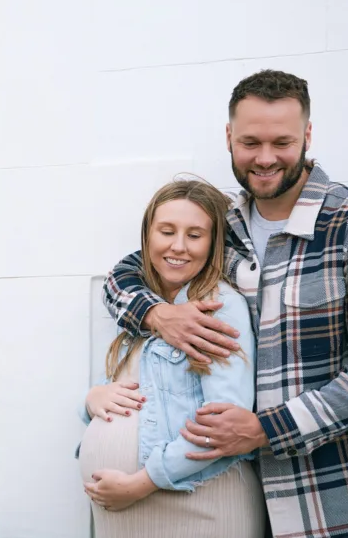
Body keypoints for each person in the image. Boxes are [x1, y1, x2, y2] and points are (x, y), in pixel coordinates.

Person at [104, 70, 348, 538]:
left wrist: (266, 430)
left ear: (307, 136)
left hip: (336, 505)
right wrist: (156, 314)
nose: (265, 158)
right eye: (250, 142)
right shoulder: (222, 223)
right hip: (242, 503)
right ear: (228, 137)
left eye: (282, 142)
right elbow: (124, 275)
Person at [78, 179, 265, 538]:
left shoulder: (218, 308)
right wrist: (92, 400)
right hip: (127, 509)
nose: (178, 246)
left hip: (197, 503)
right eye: (167, 231)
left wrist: (141, 483)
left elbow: (224, 428)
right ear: (147, 235)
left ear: (213, 244)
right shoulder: (143, 308)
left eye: (195, 235)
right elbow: (146, 391)